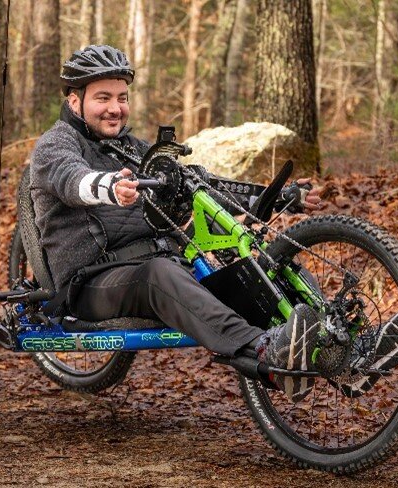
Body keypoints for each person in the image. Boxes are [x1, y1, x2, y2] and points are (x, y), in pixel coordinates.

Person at [30, 45, 327, 403]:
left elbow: (202, 186)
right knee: (159, 274)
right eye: (103, 98)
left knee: (265, 266)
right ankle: (262, 351)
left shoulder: (134, 149)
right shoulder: (55, 144)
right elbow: (69, 177)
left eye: (122, 98)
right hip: (91, 282)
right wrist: (108, 186)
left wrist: (276, 197)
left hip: (169, 267)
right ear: (75, 101)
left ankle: (335, 339)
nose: (115, 108)